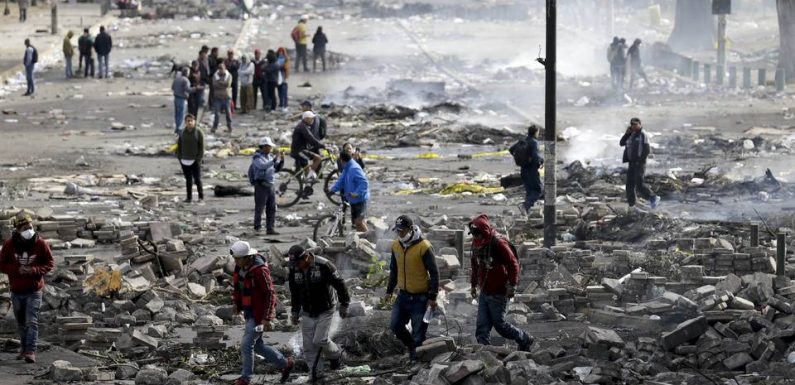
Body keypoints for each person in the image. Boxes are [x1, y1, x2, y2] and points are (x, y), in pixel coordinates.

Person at [231, 241, 295, 385]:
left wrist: (266, 318)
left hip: (258, 315)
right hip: (249, 311)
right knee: (258, 345)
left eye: (238, 258)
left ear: (247, 257)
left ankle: (245, 378)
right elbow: (238, 287)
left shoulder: (260, 270)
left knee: (246, 344)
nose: (235, 261)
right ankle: (285, 364)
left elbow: (270, 294)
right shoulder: (240, 267)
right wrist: (237, 303)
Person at [469, 214, 533, 352]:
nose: (475, 238)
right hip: (485, 290)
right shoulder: (476, 244)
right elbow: (475, 266)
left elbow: (513, 263)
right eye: (473, 235)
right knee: (481, 327)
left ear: (484, 231)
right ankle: (485, 355)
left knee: (500, 325)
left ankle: (524, 338)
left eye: (477, 234)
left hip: (499, 291)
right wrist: (473, 285)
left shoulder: (498, 243)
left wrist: (512, 285)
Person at [287, 245, 350, 383]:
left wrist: (345, 304)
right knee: (308, 345)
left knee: (320, 340)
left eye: (298, 263)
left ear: (306, 257)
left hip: (326, 309)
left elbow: (340, 284)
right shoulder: (293, 269)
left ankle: (336, 355)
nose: (296, 266)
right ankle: (316, 372)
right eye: (294, 264)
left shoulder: (324, 265)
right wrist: (295, 311)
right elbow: (295, 292)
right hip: (307, 311)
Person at [0, 214, 55, 364]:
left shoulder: (41, 244)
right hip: (17, 290)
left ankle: (31, 351)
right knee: (21, 322)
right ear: (17, 230)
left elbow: (50, 263)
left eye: (30, 228)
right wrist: (17, 269)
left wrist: (34, 270)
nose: (29, 231)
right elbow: (2, 264)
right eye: (25, 229)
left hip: (34, 290)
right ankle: (23, 349)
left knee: (32, 321)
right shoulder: (9, 245)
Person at [383, 215, 439, 361]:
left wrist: (432, 297)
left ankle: (416, 362)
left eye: (402, 231)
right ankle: (411, 347)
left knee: (419, 334)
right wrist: (389, 291)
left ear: (410, 229)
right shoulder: (396, 245)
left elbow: (434, 273)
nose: (400, 234)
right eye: (398, 231)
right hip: (403, 296)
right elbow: (394, 270)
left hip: (421, 298)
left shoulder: (424, 247)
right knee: (395, 325)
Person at [620, 117, 660, 211]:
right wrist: (626, 134)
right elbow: (621, 143)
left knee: (639, 183)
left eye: (635, 124)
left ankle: (653, 197)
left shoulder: (643, 134)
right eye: (632, 124)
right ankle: (632, 205)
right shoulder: (631, 134)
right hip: (631, 163)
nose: (634, 126)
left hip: (640, 163)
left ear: (640, 124)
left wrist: (640, 160)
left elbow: (646, 149)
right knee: (629, 184)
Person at [248, 137, 284, 235]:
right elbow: (262, 166)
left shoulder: (269, 156)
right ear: (264, 147)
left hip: (270, 185)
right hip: (261, 185)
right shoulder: (257, 157)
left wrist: (281, 160)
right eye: (269, 147)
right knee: (260, 207)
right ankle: (257, 227)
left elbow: (276, 168)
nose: (270, 149)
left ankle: (270, 228)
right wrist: (275, 159)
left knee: (271, 208)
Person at [329, 151, 369, 232]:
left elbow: (364, 183)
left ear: (342, 160)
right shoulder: (347, 168)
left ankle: (370, 239)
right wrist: (332, 190)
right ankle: (361, 242)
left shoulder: (354, 168)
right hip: (352, 200)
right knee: (356, 223)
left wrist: (357, 193)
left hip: (360, 199)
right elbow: (341, 181)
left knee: (359, 222)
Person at [509, 125, 543, 216]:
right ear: (536, 132)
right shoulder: (534, 142)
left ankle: (526, 211)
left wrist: (521, 159)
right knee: (538, 190)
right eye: (538, 132)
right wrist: (539, 163)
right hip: (531, 169)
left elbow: (511, 150)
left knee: (529, 190)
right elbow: (535, 156)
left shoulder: (522, 141)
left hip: (523, 168)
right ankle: (525, 205)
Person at [175, 114, 205, 203]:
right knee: (188, 180)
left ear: (194, 122)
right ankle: (189, 198)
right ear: (185, 122)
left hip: (195, 160)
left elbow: (202, 146)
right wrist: (179, 157)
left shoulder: (198, 132)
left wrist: (198, 158)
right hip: (184, 160)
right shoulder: (182, 133)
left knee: (197, 179)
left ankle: (201, 197)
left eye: (191, 121)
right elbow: (179, 146)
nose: (190, 122)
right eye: (188, 121)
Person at [290, 111, 326, 180]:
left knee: (306, 169)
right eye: (311, 118)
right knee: (318, 158)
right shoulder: (302, 127)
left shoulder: (304, 125)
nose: (313, 120)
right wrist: (322, 146)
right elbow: (310, 138)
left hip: (301, 149)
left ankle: (306, 185)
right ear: (306, 119)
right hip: (299, 151)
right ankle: (310, 176)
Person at [172, 67, 197, 133]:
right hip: (181, 98)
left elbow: (172, 87)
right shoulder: (186, 80)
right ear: (187, 73)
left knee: (177, 114)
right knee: (181, 114)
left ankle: (177, 127)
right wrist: (195, 88)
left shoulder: (177, 78)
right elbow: (187, 89)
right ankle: (179, 129)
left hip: (176, 97)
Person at [211, 63, 233, 133]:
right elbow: (215, 85)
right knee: (217, 114)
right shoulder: (215, 75)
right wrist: (223, 83)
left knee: (228, 113)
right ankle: (214, 127)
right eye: (220, 69)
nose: (221, 71)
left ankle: (230, 127)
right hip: (217, 98)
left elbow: (228, 84)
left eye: (222, 69)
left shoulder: (228, 75)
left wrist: (220, 82)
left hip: (226, 97)